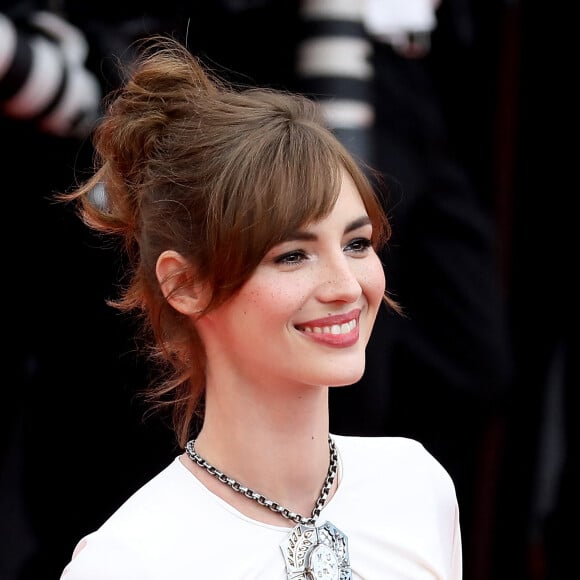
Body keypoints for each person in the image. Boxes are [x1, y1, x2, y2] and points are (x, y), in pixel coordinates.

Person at [58, 35, 462, 579]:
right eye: (293, 255)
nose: (346, 285)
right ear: (184, 285)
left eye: (357, 244)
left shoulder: (417, 487)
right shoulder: (130, 561)